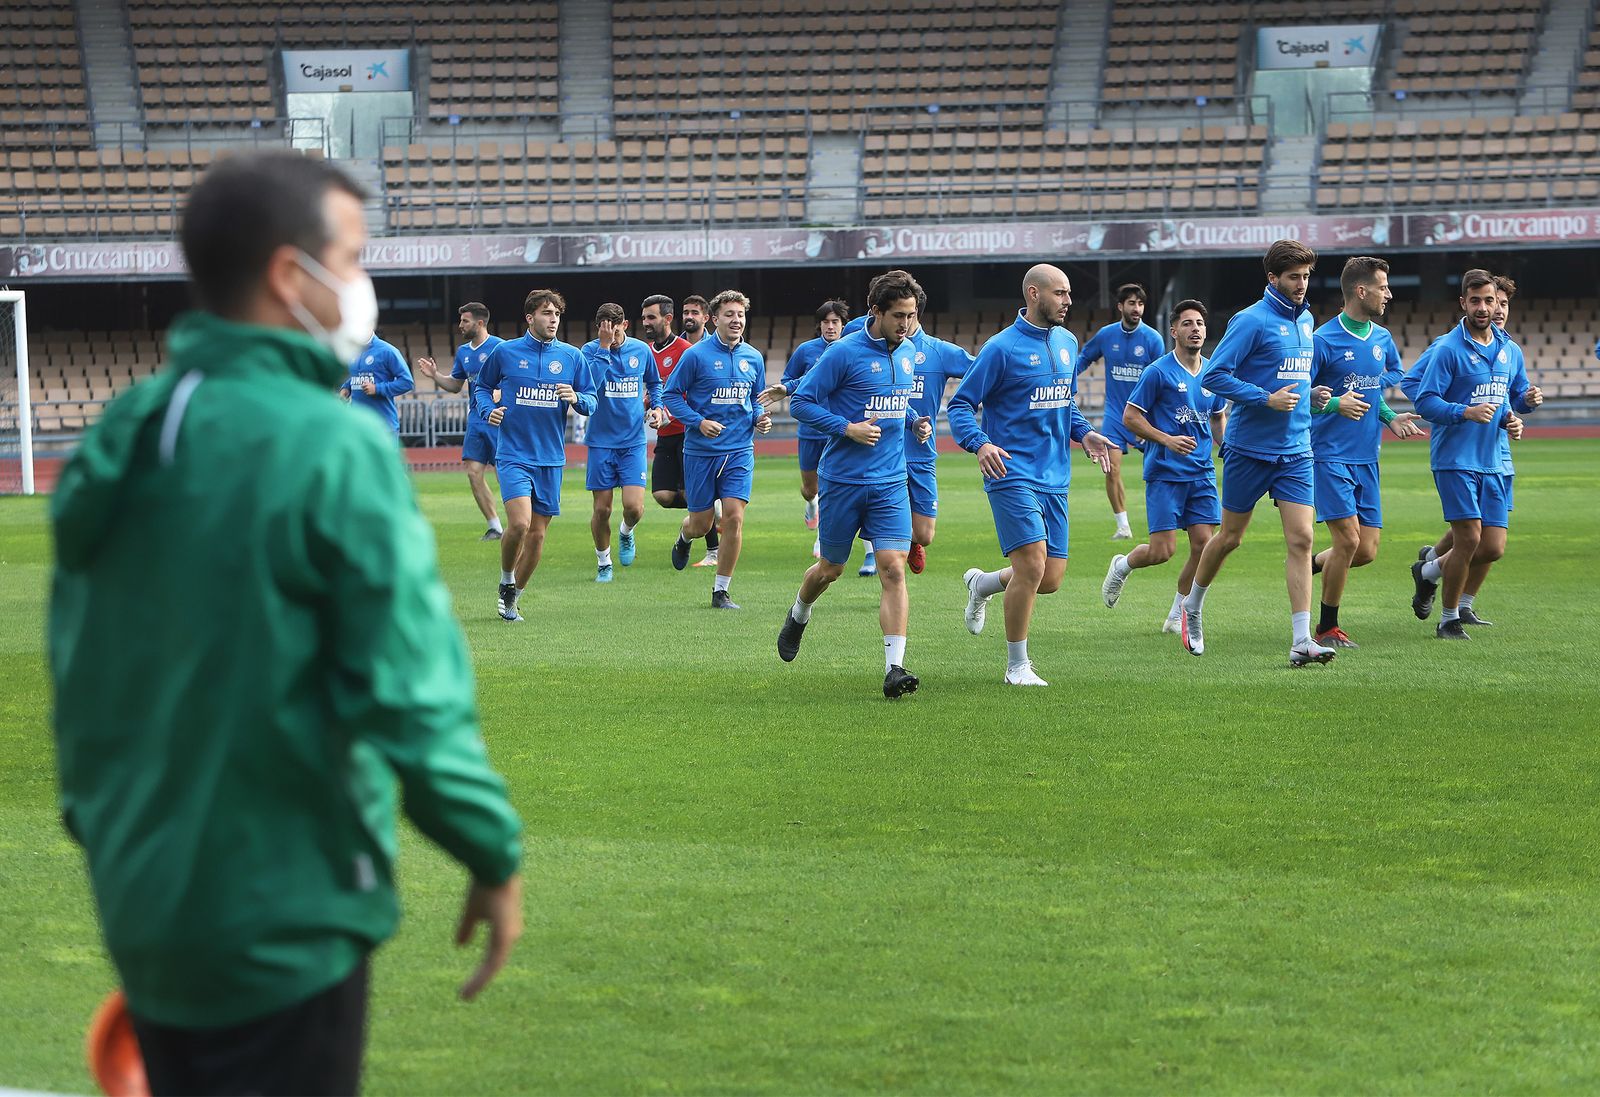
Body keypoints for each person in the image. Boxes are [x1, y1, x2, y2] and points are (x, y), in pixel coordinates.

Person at [48, 151, 523, 1094]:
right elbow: (411, 691)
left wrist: (105, 828)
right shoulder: (332, 443)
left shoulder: (126, 428)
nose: (361, 283)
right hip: (285, 908)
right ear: (287, 274)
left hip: (144, 896)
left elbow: (82, 674)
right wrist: (490, 848)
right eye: (350, 256)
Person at [948, 264, 1114, 686]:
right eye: (1060, 293)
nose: (1069, 301)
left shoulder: (1068, 342)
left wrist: (1086, 433)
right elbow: (961, 405)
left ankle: (983, 584)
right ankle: (1017, 666)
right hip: (1011, 471)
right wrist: (981, 444)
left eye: (1070, 293)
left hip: (1055, 475)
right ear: (1034, 294)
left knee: (1049, 579)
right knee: (1033, 564)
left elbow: (1065, 403)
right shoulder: (1000, 348)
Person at [781, 270, 932, 698]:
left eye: (912, 315)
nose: (907, 324)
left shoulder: (907, 354)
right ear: (876, 312)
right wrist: (847, 429)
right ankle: (799, 612)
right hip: (843, 480)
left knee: (893, 568)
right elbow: (802, 403)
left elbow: (893, 404)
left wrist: (913, 421)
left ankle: (894, 668)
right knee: (831, 569)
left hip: (889, 481)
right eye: (899, 315)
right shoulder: (843, 353)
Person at [1184, 239, 1334, 667]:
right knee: (1230, 537)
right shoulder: (1250, 321)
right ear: (1272, 278)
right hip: (1249, 450)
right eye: (1294, 277)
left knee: (1303, 540)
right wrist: (1264, 398)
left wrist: (1313, 395)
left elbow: (1296, 382)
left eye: (1306, 276)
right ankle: (1192, 606)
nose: (1302, 285)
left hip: (1297, 451)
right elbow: (1214, 376)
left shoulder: (1307, 321)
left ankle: (1302, 640)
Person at [1406, 269, 1536, 639]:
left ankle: (1429, 572)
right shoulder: (1447, 348)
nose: (1484, 308)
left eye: (1490, 301)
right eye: (1475, 300)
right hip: (1456, 459)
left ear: (1499, 303)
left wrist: (1519, 411)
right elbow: (1425, 400)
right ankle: (1449, 619)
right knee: (1468, 539)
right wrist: (1463, 411)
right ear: (1463, 303)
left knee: (1492, 547)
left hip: (1494, 458)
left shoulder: (1510, 350)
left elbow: (1509, 398)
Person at [1301, 257, 1424, 648]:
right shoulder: (1322, 341)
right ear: (1361, 290)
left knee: (1366, 550)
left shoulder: (1382, 338)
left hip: (1367, 456)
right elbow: (1298, 398)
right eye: (1383, 287)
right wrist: (1335, 403)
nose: (1388, 293)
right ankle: (1326, 628)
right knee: (1348, 542)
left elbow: (1388, 376)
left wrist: (1388, 416)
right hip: (1328, 455)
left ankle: (1307, 565)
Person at [1100, 300, 1227, 629]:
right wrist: (1167, 439)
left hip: (1202, 474)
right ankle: (1123, 565)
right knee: (1162, 551)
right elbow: (1130, 417)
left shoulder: (1214, 373)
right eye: (1187, 323)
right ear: (1174, 331)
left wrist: (1226, 447)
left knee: (1204, 545)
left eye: (1199, 323)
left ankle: (1178, 614)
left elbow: (1216, 418)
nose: (1195, 328)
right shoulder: (1157, 372)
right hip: (1165, 474)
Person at [474, 289, 595, 622]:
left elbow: (592, 399)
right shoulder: (506, 352)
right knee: (520, 524)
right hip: (513, 454)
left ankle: (514, 598)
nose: (553, 319)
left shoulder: (572, 357)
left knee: (539, 535)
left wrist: (578, 399)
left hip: (551, 459)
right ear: (530, 318)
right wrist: (488, 411)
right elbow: (482, 388)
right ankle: (506, 580)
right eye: (546, 313)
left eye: (557, 314)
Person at [661, 289, 773, 608]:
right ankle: (685, 536)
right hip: (701, 452)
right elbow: (671, 396)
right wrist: (698, 422)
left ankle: (720, 591)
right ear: (714, 319)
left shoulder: (753, 357)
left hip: (739, 450)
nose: (736, 320)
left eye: (740, 314)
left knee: (734, 518)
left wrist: (759, 418)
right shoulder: (695, 356)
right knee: (701, 523)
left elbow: (753, 400)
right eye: (729, 314)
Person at [1076, 283, 1165, 540]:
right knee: (1111, 468)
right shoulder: (1106, 335)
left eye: (1140, 304)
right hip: (1115, 413)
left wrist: (1151, 419)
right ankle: (1123, 526)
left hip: (1143, 415)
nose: (1136, 308)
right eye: (1131, 303)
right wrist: (1067, 381)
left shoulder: (1152, 339)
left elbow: (1161, 379)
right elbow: (1084, 357)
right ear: (1120, 306)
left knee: (1159, 468)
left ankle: (1164, 520)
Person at [580, 302, 662, 582]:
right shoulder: (590, 351)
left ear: (624, 326)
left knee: (634, 507)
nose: (611, 337)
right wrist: (604, 349)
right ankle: (604, 563)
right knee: (602, 509)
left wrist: (657, 407)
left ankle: (626, 532)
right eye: (606, 332)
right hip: (601, 441)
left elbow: (655, 382)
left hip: (632, 441)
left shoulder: (641, 350)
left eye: (615, 332)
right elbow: (588, 386)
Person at [414, 302, 506, 541]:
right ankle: (495, 526)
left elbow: (514, 380)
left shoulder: (501, 348)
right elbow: (455, 385)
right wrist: (435, 375)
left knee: (503, 473)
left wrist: (501, 392)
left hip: (499, 419)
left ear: (480, 323)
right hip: (476, 420)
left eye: (465, 321)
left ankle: (519, 522)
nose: (460, 325)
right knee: (473, 472)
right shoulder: (464, 352)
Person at [775, 299, 849, 554]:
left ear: (843, 325)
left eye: (835, 322)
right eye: (826, 322)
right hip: (808, 431)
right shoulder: (806, 351)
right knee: (810, 489)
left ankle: (822, 538)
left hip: (838, 430)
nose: (830, 327)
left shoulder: (850, 350)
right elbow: (787, 381)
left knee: (831, 486)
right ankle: (810, 504)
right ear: (819, 325)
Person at [640, 294, 693, 513]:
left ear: (668, 318)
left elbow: (695, 394)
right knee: (663, 495)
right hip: (664, 434)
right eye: (644, 318)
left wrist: (667, 414)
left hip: (687, 432)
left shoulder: (686, 350)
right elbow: (650, 390)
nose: (645, 323)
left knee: (691, 494)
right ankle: (709, 504)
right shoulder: (646, 351)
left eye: (651, 317)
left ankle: (712, 546)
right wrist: (646, 404)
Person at [339, 329, 413, 434]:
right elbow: (356, 375)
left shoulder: (387, 351)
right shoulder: (353, 350)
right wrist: (346, 388)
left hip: (383, 426)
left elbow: (407, 382)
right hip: (357, 426)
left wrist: (377, 389)